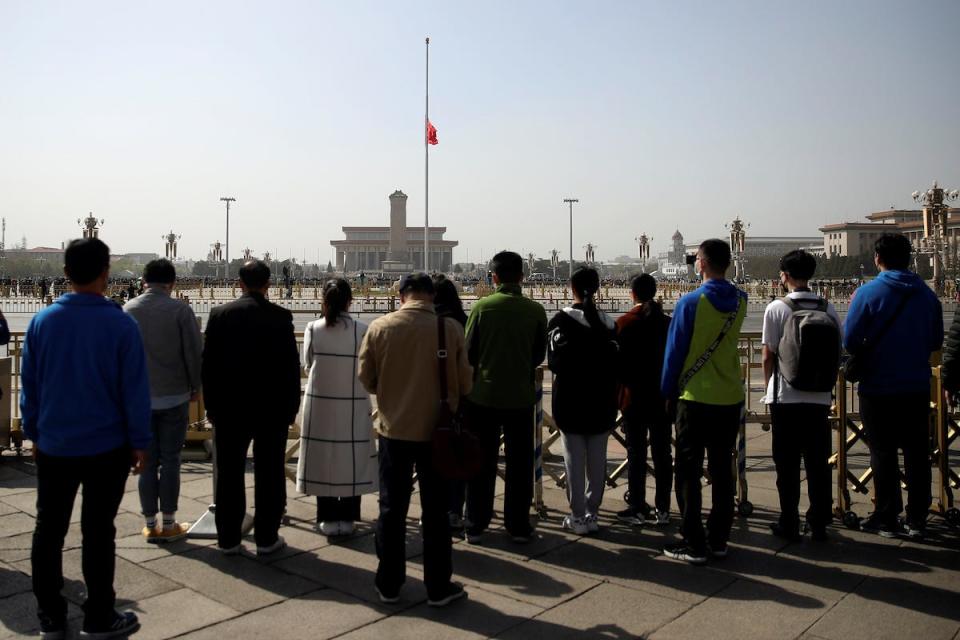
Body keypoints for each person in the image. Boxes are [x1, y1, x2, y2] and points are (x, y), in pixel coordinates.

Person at [21, 237, 149, 639]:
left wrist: (32, 431)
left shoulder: (43, 321)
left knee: (48, 530)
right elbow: (134, 390)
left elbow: (30, 387)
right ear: (106, 273)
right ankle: (99, 615)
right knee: (98, 532)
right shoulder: (121, 325)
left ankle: (50, 616)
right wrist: (139, 441)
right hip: (106, 447)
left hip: (55, 443)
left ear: (65, 274)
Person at [358, 273, 472, 607]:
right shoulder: (448, 329)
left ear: (401, 294)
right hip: (438, 433)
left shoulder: (380, 327)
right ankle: (438, 587)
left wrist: (394, 392)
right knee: (436, 511)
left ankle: (389, 584)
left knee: (391, 509)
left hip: (395, 430)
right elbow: (466, 384)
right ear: (432, 295)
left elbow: (366, 378)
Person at [844, 233, 943, 538]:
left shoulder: (867, 293)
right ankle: (917, 517)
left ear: (877, 258)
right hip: (915, 384)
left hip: (878, 385)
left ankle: (886, 515)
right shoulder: (927, 296)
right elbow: (936, 341)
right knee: (917, 453)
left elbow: (849, 340)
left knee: (883, 452)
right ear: (910, 257)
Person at [201, 259, 301, 556]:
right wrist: (291, 408)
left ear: (239, 283)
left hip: (229, 409)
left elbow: (209, 367)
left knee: (229, 472)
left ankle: (228, 539)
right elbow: (290, 368)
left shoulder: (220, 315)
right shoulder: (281, 317)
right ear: (268, 284)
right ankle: (267, 538)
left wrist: (211, 406)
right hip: (271, 409)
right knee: (269, 472)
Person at [660, 239, 747, 565]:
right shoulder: (741, 299)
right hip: (729, 397)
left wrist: (668, 392)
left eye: (696, 259)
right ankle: (719, 538)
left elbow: (675, 354)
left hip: (694, 398)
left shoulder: (690, 303)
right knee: (723, 470)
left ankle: (694, 540)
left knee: (688, 471)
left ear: (703, 263)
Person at [463, 251, 548, 544]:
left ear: (493, 277)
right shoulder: (535, 311)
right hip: (520, 396)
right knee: (520, 463)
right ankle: (518, 524)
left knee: (481, 462)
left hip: (483, 397)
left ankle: (476, 522)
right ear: (522, 277)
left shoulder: (482, 308)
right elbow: (539, 354)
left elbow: (469, 352)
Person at [761, 250, 840, 542]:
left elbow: (768, 355)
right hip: (819, 397)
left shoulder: (777, 308)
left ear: (784, 275)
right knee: (819, 465)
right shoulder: (828, 308)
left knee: (787, 465)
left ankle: (789, 522)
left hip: (787, 398)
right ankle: (818, 523)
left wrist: (770, 386)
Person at [124, 258, 203, 543]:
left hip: (140, 400)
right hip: (175, 396)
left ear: (144, 281)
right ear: (171, 283)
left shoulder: (128, 310)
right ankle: (169, 523)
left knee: (146, 461)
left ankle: (149, 522)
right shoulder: (180, 310)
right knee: (171, 460)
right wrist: (196, 386)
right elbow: (193, 353)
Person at [297, 278, 377, 537]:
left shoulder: (312, 328)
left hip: (320, 402)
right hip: (353, 401)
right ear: (349, 301)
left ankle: (327, 516)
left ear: (324, 300)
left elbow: (308, 365)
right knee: (351, 457)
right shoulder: (362, 330)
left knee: (324, 457)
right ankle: (349, 517)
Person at [547, 267, 619, 534]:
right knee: (597, 460)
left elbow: (555, 363)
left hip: (570, 401)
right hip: (601, 401)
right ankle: (592, 512)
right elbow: (616, 364)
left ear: (571, 287)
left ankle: (577, 515)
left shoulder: (560, 321)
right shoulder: (609, 324)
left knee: (573, 461)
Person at [615, 273, 672, 527]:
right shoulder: (668, 323)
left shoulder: (624, 323)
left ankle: (637, 505)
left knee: (636, 453)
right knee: (663, 454)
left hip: (633, 398)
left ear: (632, 293)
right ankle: (664, 508)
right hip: (662, 397)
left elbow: (618, 366)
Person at [431, 274, 470, 529]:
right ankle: (456, 509)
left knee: (433, 459)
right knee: (458, 456)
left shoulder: (427, 324)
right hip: (460, 402)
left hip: (430, 402)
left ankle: (433, 510)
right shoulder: (465, 322)